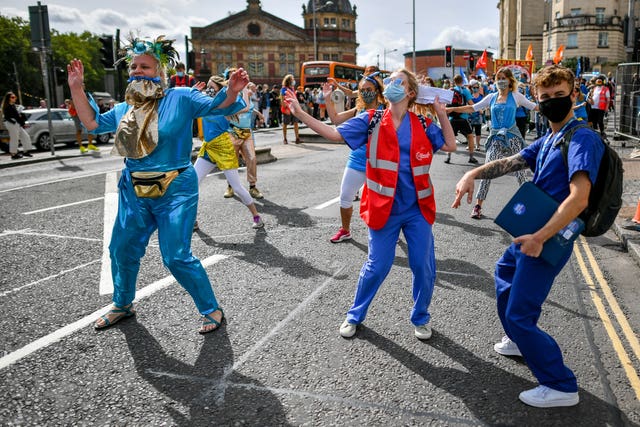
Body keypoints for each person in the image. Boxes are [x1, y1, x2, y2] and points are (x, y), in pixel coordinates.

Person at [67, 35, 248, 334]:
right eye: (134, 66)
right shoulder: (126, 108)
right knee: (121, 249)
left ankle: (211, 308)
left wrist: (230, 91)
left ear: (160, 71)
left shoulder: (181, 97)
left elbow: (217, 106)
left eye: (145, 67)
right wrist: (77, 88)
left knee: (175, 256)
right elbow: (93, 123)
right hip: (134, 190)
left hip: (176, 188)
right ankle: (123, 304)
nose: (138, 71)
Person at [452, 64, 604, 408]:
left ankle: (560, 384)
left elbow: (579, 198)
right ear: (535, 100)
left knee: (520, 312)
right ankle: (520, 339)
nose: (552, 102)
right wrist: (473, 173)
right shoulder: (551, 137)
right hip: (531, 232)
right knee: (504, 272)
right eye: (545, 97)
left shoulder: (581, 138)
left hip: (548, 236)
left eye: (559, 95)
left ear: (574, 96)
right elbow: (513, 161)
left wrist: (540, 237)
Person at [284, 68, 457, 340]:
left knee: (423, 266)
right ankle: (354, 314)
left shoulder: (422, 125)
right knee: (377, 266)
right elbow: (334, 134)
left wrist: (441, 113)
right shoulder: (372, 119)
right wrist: (299, 113)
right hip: (383, 209)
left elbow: (450, 145)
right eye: (388, 82)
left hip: (416, 210)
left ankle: (421, 317)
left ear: (410, 93)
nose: (389, 85)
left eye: (397, 82)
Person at [447, 67, 537, 219]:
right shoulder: (491, 97)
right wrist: (452, 109)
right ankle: (477, 206)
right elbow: (472, 108)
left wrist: (564, 109)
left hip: (512, 137)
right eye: (498, 78)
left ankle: (530, 204)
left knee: (520, 172)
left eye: (504, 78)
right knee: (487, 170)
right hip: (495, 138)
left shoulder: (516, 96)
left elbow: (535, 107)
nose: (501, 81)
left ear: (510, 81)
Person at [324, 71, 387, 243]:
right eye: (362, 89)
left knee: (382, 201)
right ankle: (345, 230)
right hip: (357, 159)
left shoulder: (387, 109)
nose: (365, 92)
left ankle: (389, 231)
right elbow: (336, 120)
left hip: (380, 162)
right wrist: (327, 98)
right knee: (345, 196)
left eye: (369, 89)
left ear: (377, 90)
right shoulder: (358, 109)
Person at [194, 75, 264, 230]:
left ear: (220, 90)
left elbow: (245, 107)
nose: (209, 90)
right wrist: (192, 92)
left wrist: (244, 89)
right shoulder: (204, 102)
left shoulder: (225, 106)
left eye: (212, 87)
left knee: (237, 187)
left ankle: (256, 217)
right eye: (208, 87)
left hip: (224, 147)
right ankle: (193, 220)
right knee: (192, 183)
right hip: (208, 147)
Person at [224, 72, 265, 200]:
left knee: (252, 158)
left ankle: (253, 187)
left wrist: (259, 114)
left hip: (247, 133)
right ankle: (230, 186)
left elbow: (250, 108)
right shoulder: (230, 95)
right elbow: (238, 109)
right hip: (234, 132)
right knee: (232, 160)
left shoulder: (246, 93)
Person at [445, 74, 478, 164]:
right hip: (463, 118)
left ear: (454, 81)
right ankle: (471, 157)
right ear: (462, 81)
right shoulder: (465, 91)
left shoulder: (450, 90)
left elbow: (445, 104)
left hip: (452, 118)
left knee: (450, 138)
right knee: (470, 136)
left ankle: (448, 157)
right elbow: (471, 103)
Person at [2, 91, 33, 159]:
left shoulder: (13, 105)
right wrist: (21, 122)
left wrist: (21, 121)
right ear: (8, 98)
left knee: (25, 136)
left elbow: (17, 116)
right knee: (14, 138)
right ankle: (13, 154)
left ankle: (26, 151)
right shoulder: (7, 106)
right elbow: (11, 116)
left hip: (16, 123)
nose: (14, 98)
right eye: (12, 97)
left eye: (15, 97)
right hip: (12, 123)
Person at [587, 76, 610, 141]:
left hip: (601, 107)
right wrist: (590, 99)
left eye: (600, 80)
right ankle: (594, 132)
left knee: (600, 121)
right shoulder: (594, 88)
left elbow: (608, 99)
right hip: (593, 107)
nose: (598, 81)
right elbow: (590, 97)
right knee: (593, 121)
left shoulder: (606, 89)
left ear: (602, 81)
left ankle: (602, 132)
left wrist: (607, 108)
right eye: (598, 80)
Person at [280, 74, 301, 144]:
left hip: (293, 108)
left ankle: (297, 138)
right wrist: (285, 108)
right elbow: (282, 99)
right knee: (285, 124)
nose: (294, 80)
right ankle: (285, 139)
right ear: (289, 80)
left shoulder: (292, 88)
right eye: (292, 79)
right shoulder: (284, 89)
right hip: (287, 108)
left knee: (296, 123)